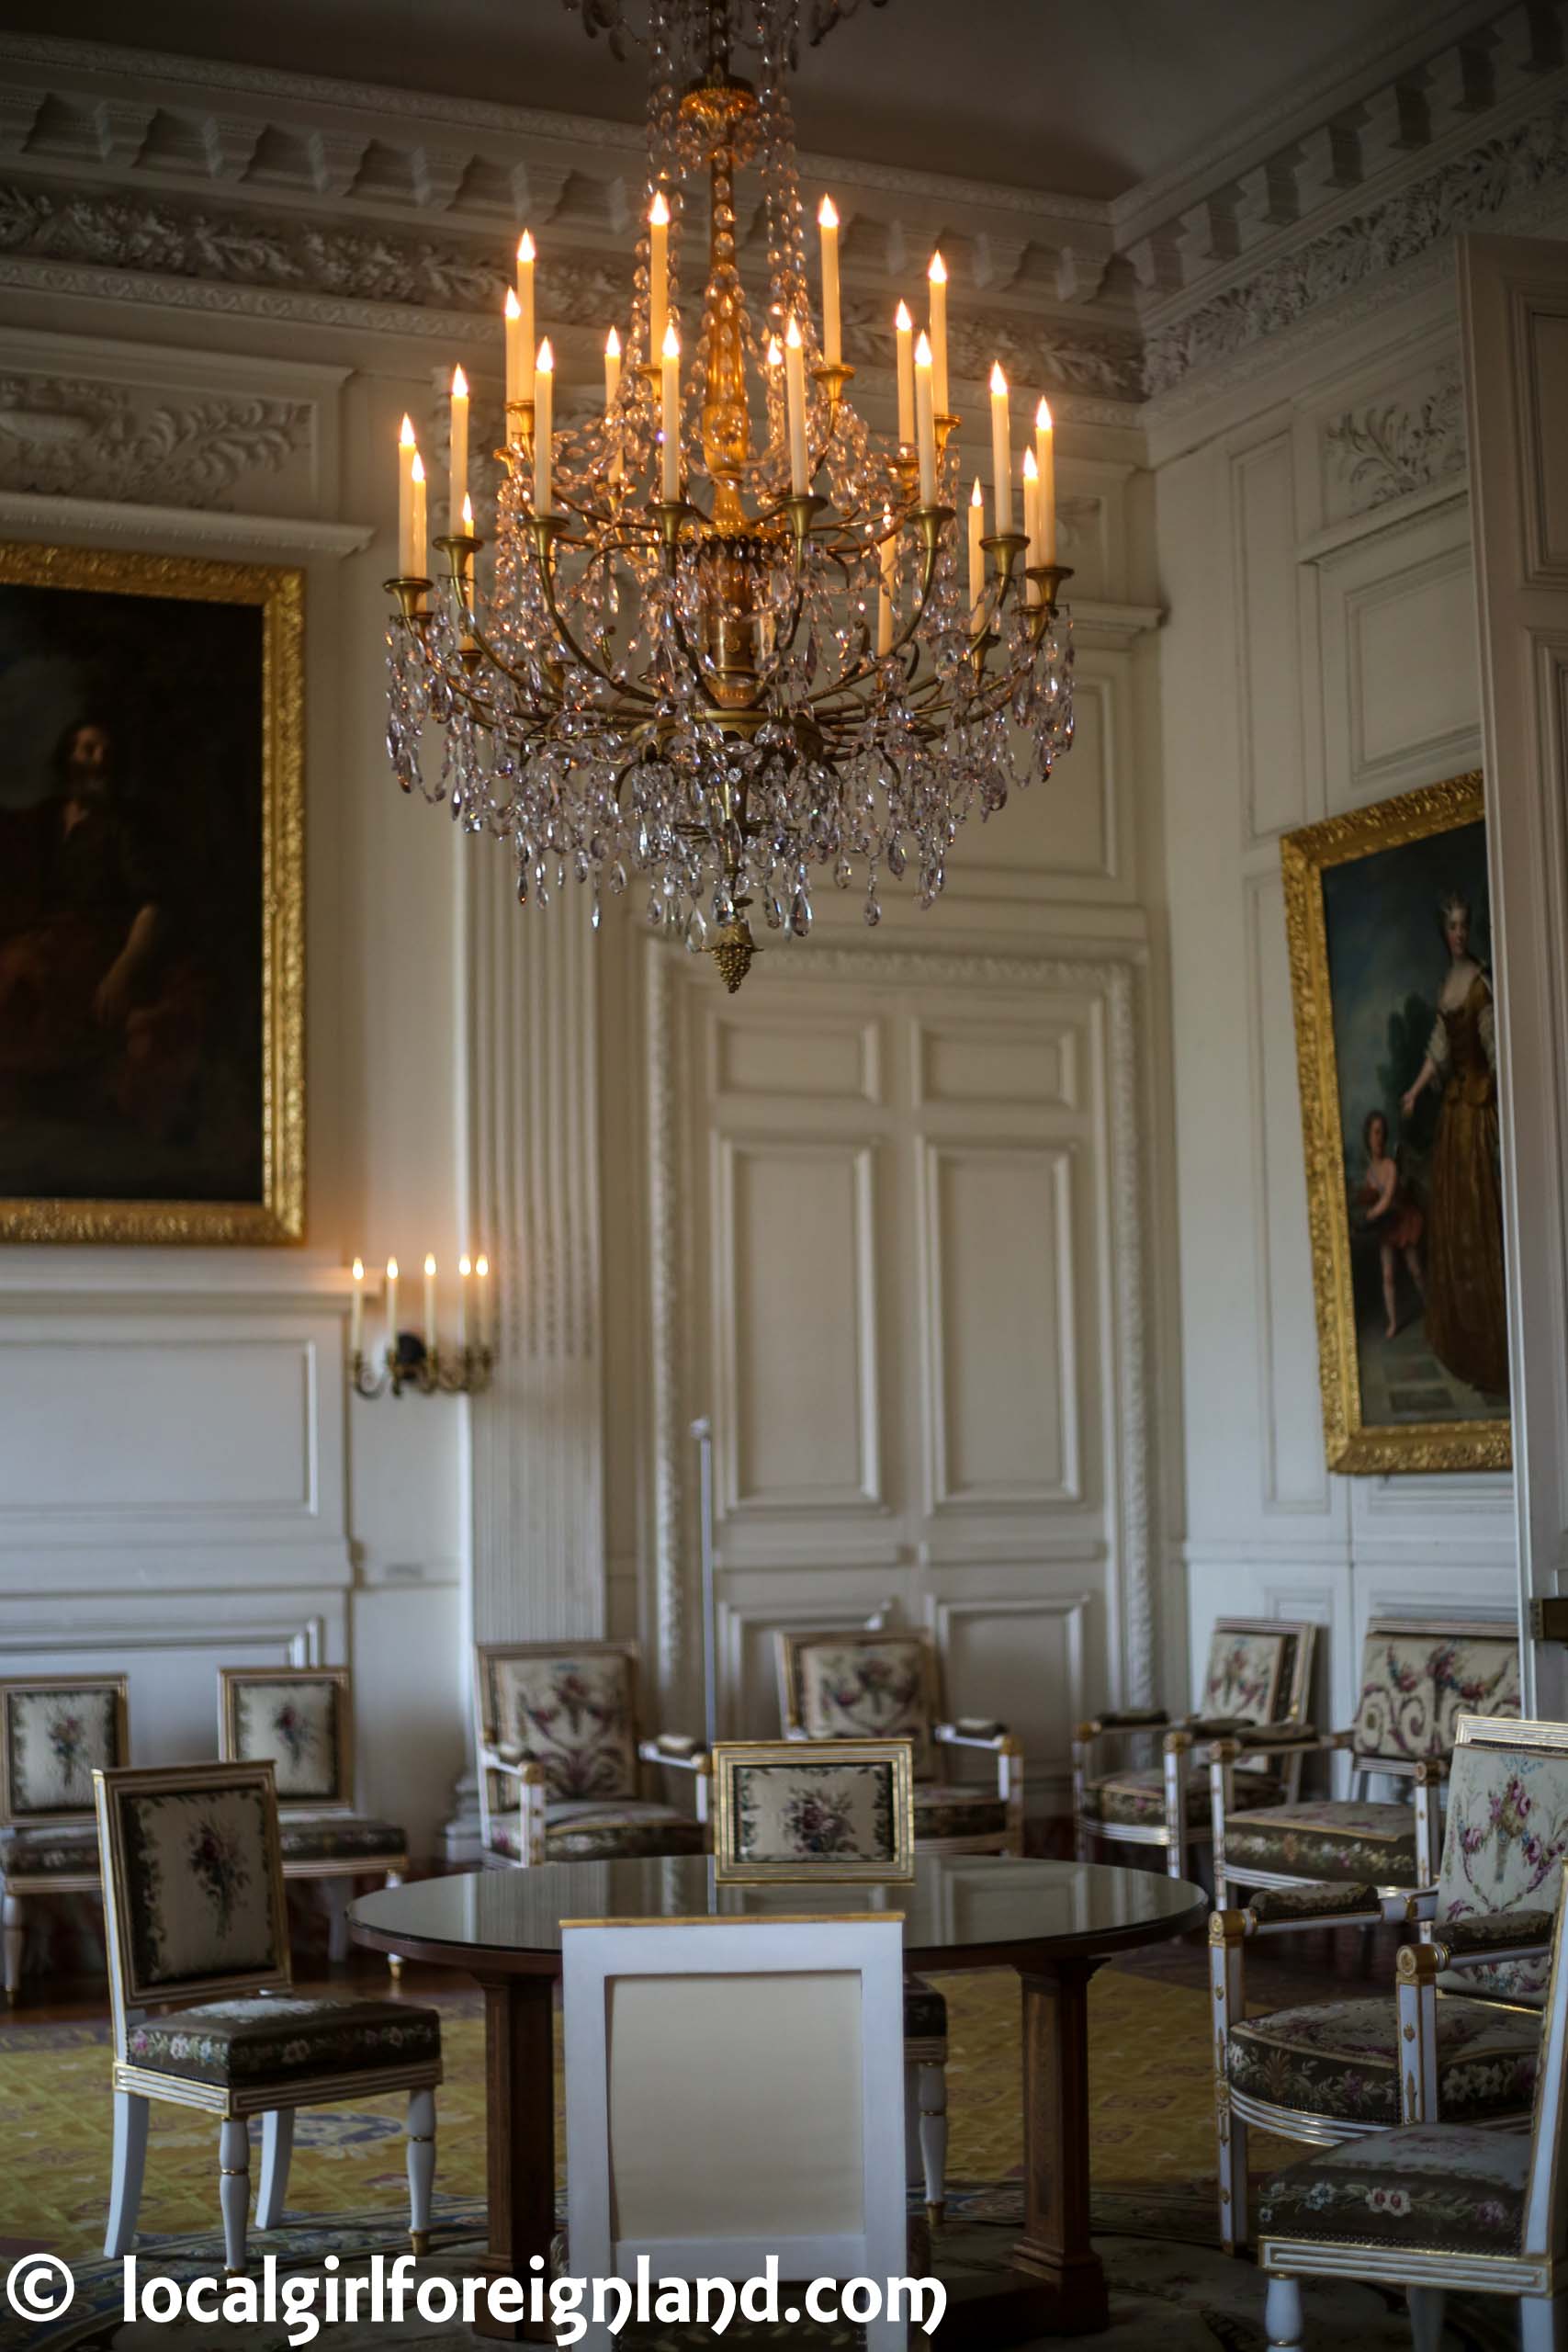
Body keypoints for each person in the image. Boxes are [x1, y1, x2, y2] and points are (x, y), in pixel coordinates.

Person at [1399, 891, 1509, 1397]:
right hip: (1453, 1116)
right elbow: (1438, 1051)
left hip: (1479, 1110)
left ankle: (1496, 1342)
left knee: (1482, 1219)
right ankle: (1461, 1338)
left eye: (1465, 925)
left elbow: (1493, 1048)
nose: (1460, 934)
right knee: (1455, 1222)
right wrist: (1417, 1090)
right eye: (1453, 927)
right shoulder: (1446, 984)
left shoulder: (1481, 983)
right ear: (1444, 934)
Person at [1359, 1108, 1424, 1340]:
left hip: (1402, 1220)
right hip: (1387, 1225)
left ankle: (1429, 1305)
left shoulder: (1390, 1167)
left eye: (1381, 1133)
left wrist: (1371, 1215)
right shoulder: (1369, 1173)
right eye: (1375, 1133)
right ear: (1368, 1136)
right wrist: (1367, 1210)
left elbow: (1386, 1201)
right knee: (1387, 1275)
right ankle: (1394, 1322)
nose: (1378, 1138)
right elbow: (1373, 1199)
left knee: (1415, 1270)